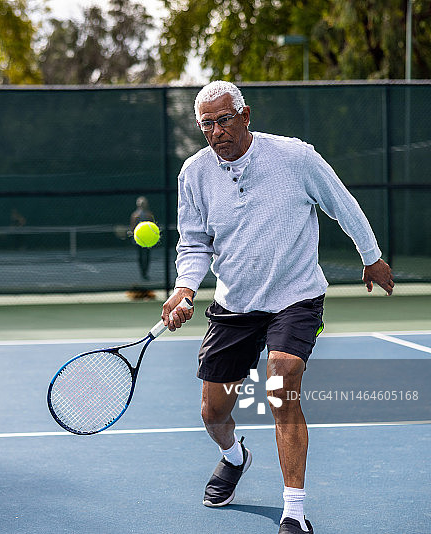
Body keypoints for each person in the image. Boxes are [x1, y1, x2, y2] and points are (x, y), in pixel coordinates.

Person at [161, 81, 394, 534]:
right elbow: (193, 242)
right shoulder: (193, 173)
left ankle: (294, 511)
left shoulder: (295, 158)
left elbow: (342, 204)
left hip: (295, 294)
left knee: (282, 381)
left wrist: (371, 256)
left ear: (245, 115)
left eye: (224, 120)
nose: (216, 132)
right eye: (206, 124)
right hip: (235, 303)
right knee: (213, 412)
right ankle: (234, 457)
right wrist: (185, 288)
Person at [129, 196, 155, 280]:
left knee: (147, 256)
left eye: (144, 203)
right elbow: (132, 227)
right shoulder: (135, 215)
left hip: (148, 240)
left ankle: (145, 272)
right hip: (139, 240)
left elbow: (153, 225)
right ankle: (142, 273)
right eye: (140, 203)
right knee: (140, 257)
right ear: (138, 205)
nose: (142, 205)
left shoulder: (149, 215)